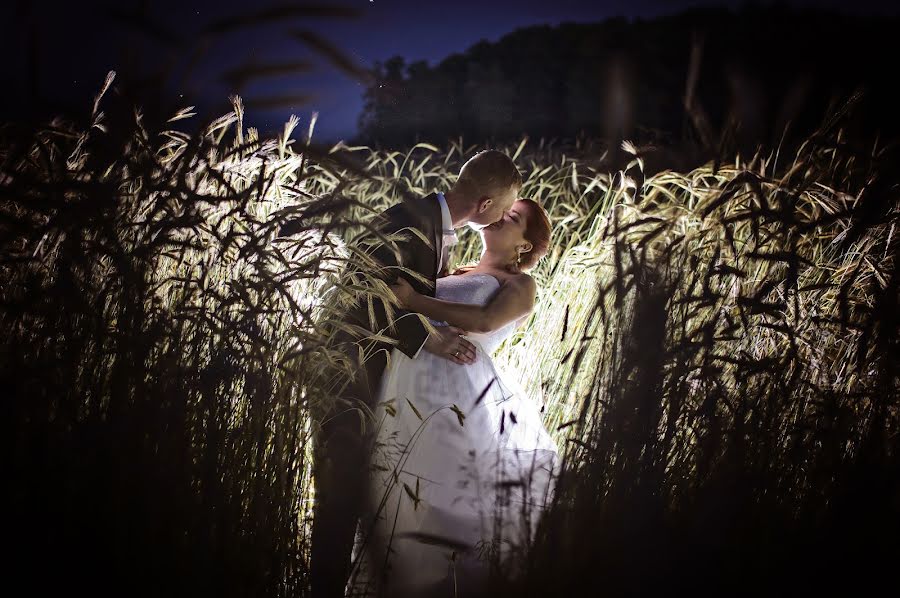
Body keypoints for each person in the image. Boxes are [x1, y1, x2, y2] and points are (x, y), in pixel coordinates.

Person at [309, 150, 522, 598]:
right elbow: (364, 288)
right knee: (338, 498)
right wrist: (431, 339)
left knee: (363, 500)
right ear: (485, 205)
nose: (505, 217)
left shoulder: (438, 229)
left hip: (374, 378)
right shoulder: (409, 218)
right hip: (345, 370)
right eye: (504, 208)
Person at [351, 198, 560, 598]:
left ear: (525, 246)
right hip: (405, 382)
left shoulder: (519, 285)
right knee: (394, 488)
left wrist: (413, 301)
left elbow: (483, 321)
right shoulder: (456, 269)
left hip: (458, 393)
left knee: (444, 497)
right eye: (504, 210)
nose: (501, 217)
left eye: (513, 218)